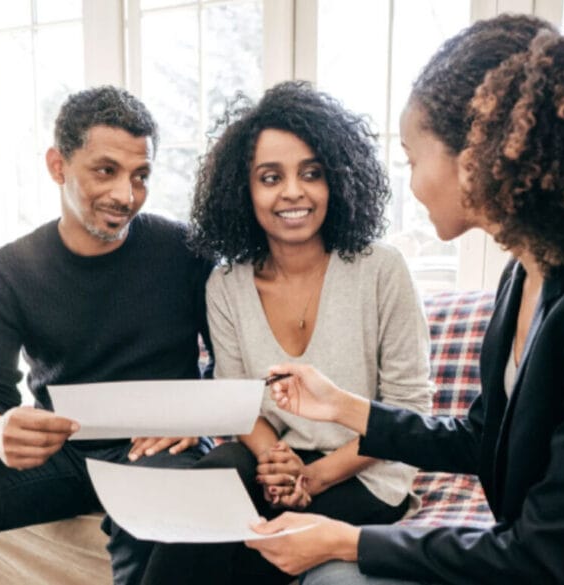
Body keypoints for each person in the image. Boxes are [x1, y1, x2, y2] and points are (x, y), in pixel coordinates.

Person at [246, 12, 564, 585]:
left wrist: (347, 540)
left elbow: (542, 554)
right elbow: (483, 437)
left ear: (477, 154)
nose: (411, 185)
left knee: (335, 576)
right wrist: (342, 406)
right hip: (552, 565)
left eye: (414, 159)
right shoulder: (527, 270)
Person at [0, 86, 215, 585]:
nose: (126, 195)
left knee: (160, 519)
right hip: (63, 446)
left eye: (141, 176)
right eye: (105, 170)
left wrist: (196, 416)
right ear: (58, 165)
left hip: (159, 446)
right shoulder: (5, 273)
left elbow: (232, 359)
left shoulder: (185, 252)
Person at [140, 81, 434, 585]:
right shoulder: (226, 284)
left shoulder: (381, 269)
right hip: (275, 462)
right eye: (270, 177)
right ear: (244, 190)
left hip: (365, 470)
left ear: (336, 181)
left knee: (254, 546)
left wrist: (312, 477)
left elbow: (407, 411)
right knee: (210, 486)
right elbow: (240, 405)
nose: (293, 192)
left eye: (311, 174)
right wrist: (277, 461)